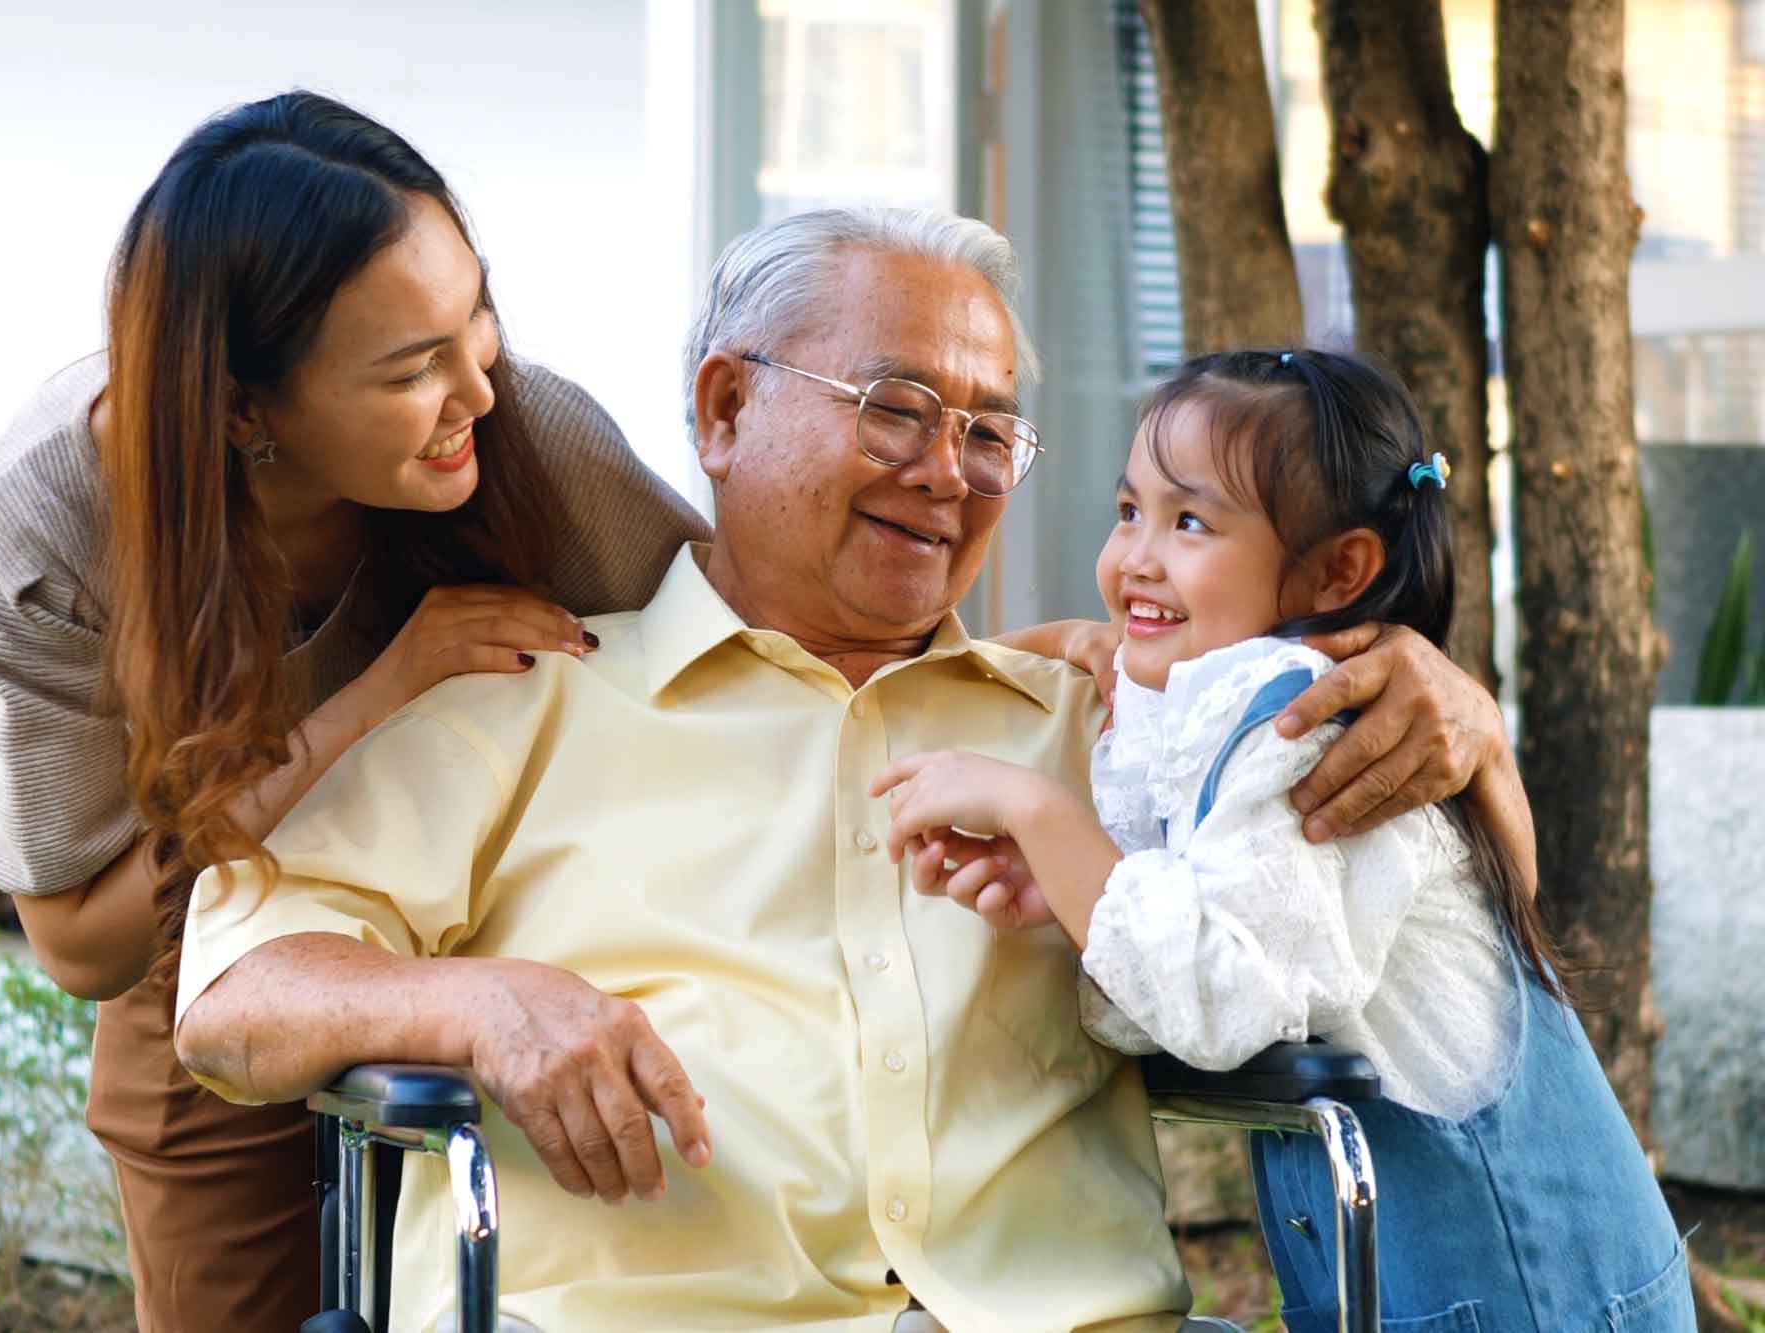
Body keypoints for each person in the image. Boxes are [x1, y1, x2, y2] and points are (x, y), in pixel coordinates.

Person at [175, 210, 1534, 1333]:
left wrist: (1456, 708)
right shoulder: (523, 692)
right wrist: (483, 1004)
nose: (950, 473)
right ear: (724, 407)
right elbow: (235, 995)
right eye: (897, 410)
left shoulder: (1111, 727)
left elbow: (1423, 902)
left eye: (992, 432)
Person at [0, 92, 711, 1331]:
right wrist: (373, 699)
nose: (483, 389)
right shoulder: (48, 530)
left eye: (480, 319)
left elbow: (740, 653)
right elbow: (85, 944)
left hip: (510, 918)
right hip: (212, 962)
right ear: (243, 407)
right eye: (413, 369)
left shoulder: (529, 437)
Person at [874, 348, 1693, 1332]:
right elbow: (1184, 989)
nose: (1135, 555)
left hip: (1536, 1299)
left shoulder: (1306, 734)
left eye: (1188, 522)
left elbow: (1218, 1001)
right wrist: (1062, 885)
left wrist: (1041, 816)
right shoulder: (1223, 715)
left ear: (1338, 569)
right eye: (1127, 510)